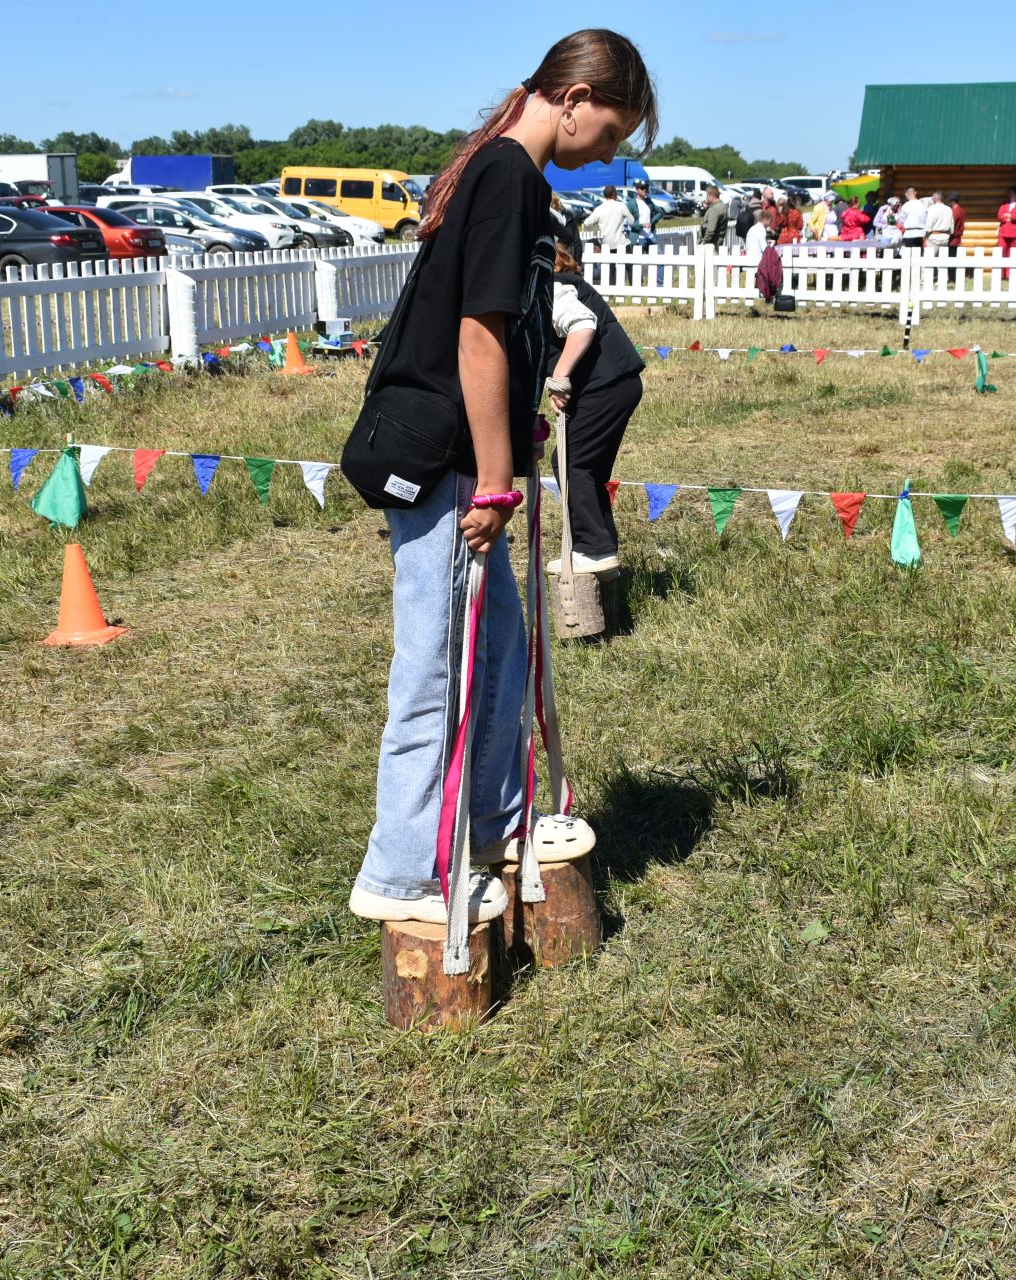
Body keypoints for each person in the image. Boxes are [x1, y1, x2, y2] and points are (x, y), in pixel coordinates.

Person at [348, 29, 656, 928]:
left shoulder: (499, 171)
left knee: (497, 655)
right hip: (445, 464)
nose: (605, 152)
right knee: (439, 669)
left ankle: (487, 825)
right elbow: (478, 337)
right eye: (610, 130)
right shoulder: (511, 177)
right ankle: (403, 871)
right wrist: (494, 480)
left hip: (461, 459)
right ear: (575, 96)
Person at [546, 241, 645, 574]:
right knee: (590, 470)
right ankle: (605, 551)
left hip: (606, 386)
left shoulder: (555, 289)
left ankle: (593, 549)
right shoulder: (559, 287)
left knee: (571, 462)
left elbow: (582, 326)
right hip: (616, 384)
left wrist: (560, 375)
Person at [581, 184, 631, 249]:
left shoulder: (599, 209)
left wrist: (593, 228)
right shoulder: (621, 206)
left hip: (607, 245)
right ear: (614, 194)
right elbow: (631, 221)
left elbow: (586, 223)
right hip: (622, 243)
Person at [996, 185, 1016, 276]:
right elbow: (999, 216)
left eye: (1012, 193)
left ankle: (1010, 275)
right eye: (1010, 193)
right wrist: (1009, 217)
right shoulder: (1005, 204)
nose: (1011, 195)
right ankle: (1001, 274)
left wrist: (1008, 216)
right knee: (1001, 252)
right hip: (1004, 232)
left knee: (1013, 253)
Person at [698, 182, 727, 247]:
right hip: (718, 243)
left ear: (712, 196)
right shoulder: (722, 206)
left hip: (711, 246)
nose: (706, 198)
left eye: (707, 196)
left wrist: (703, 243)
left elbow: (710, 230)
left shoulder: (714, 209)